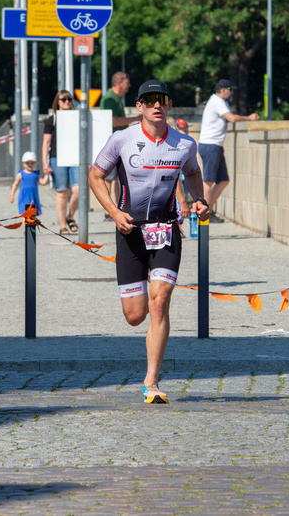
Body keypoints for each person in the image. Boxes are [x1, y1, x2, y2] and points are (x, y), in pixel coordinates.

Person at [89, 79, 209, 405]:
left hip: (166, 229)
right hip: (129, 230)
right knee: (135, 314)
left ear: (169, 105)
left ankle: (151, 381)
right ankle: (148, 362)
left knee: (160, 302)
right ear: (139, 106)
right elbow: (95, 175)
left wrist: (199, 199)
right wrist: (114, 212)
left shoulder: (184, 144)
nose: (157, 105)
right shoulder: (122, 140)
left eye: (162, 100)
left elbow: (194, 173)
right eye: (149, 100)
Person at [198, 79, 260, 222]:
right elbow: (231, 118)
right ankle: (204, 216)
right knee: (208, 182)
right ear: (224, 90)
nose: (232, 93)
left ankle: (209, 212)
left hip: (215, 145)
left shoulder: (222, 102)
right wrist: (249, 118)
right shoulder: (217, 101)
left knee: (223, 180)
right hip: (210, 145)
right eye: (231, 90)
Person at [100, 72, 142, 219]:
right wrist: (137, 118)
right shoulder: (110, 98)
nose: (129, 86)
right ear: (120, 82)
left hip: (117, 142)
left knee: (117, 178)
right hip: (111, 143)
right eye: (127, 82)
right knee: (109, 179)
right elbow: (113, 121)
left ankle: (117, 207)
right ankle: (108, 211)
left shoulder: (115, 97)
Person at [41, 90, 80, 235]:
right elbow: (46, 142)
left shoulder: (77, 118)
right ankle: (63, 225)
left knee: (78, 190)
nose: (67, 102)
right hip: (57, 157)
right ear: (57, 102)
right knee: (62, 192)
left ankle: (70, 216)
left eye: (69, 99)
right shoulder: (53, 119)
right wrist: (45, 162)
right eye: (63, 99)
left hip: (76, 157)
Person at [10, 151, 49, 215]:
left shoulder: (36, 174)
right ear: (23, 163)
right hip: (24, 197)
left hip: (32, 197)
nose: (30, 165)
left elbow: (43, 182)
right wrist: (12, 195)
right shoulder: (21, 174)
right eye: (27, 163)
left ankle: (29, 225)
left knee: (31, 217)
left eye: (32, 163)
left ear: (35, 163)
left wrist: (47, 174)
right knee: (25, 214)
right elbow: (15, 184)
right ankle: (26, 225)